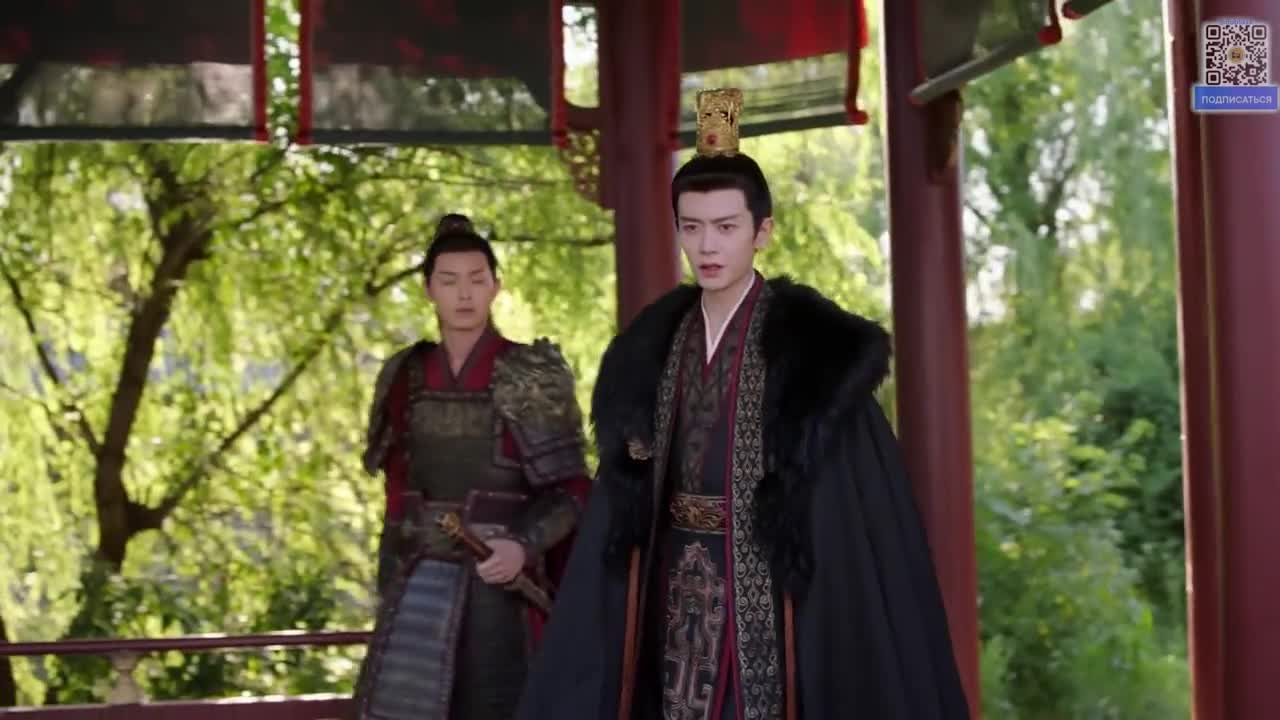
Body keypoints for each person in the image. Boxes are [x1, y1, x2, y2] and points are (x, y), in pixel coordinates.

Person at [516, 90, 969, 719]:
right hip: (673, 589)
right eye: (692, 227)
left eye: (726, 227)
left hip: (776, 595)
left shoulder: (813, 359)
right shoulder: (652, 351)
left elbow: (851, 510)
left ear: (763, 232)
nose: (708, 246)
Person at [354, 213, 591, 720]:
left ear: (495, 286)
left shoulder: (531, 373)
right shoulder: (403, 375)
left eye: (476, 279)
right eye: (449, 280)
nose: (464, 294)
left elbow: (572, 491)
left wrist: (522, 544)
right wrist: (388, 589)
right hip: (418, 586)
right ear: (429, 290)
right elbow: (397, 497)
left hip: (499, 581)